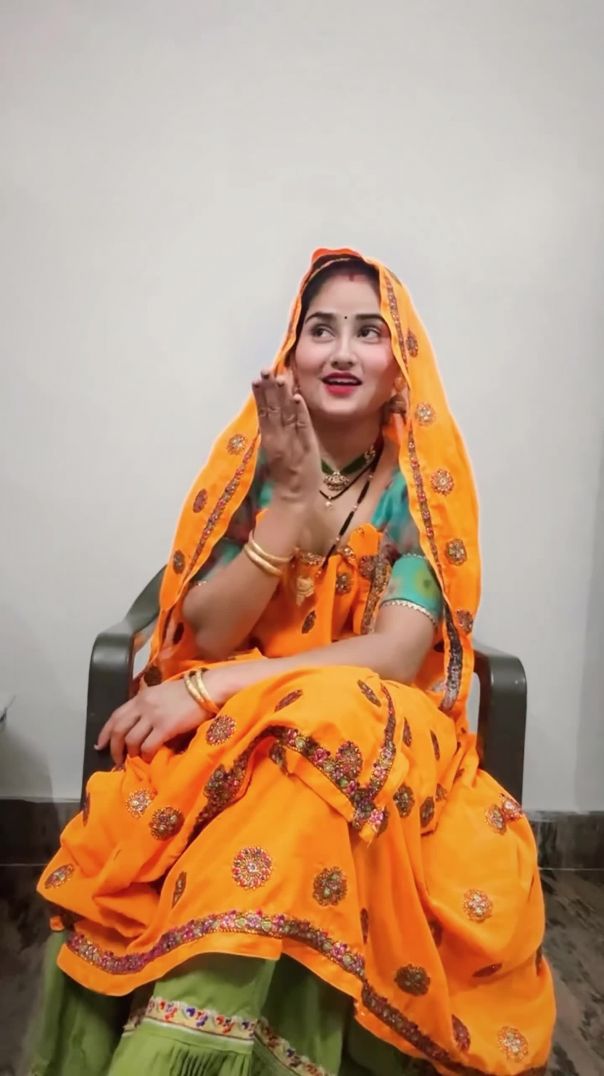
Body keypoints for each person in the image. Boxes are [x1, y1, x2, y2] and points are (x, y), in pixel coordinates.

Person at [29, 249, 555, 1075]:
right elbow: (206, 631)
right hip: (241, 729)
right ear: (293, 354)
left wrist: (211, 690)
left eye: (369, 333)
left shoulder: (418, 490)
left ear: (400, 367)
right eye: (322, 330)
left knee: (335, 716)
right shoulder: (252, 474)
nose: (343, 351)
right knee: (292, 755)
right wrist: (290, 507)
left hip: (379, 726)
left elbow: (394, 654)